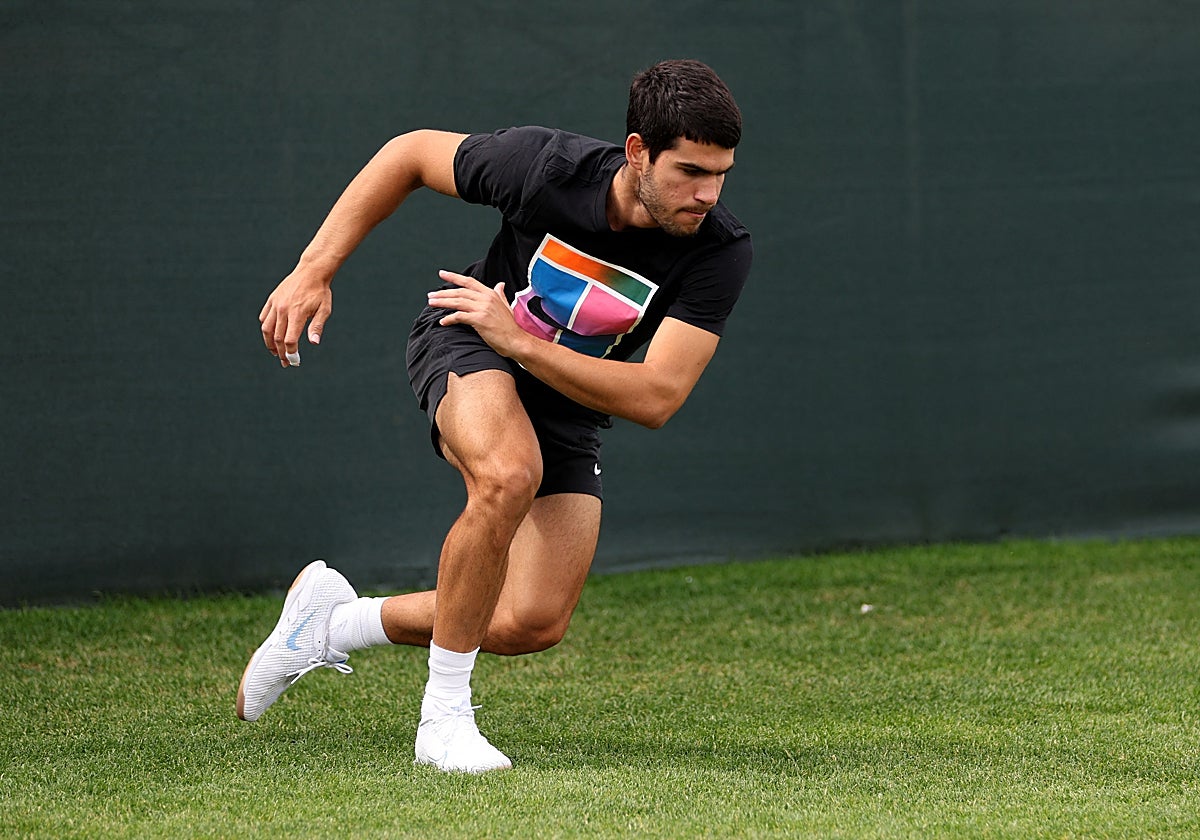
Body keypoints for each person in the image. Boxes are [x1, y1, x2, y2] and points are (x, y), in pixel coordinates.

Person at [238, 59, 752, 773]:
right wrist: (313, 267)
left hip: (560, 394)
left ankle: (332, 624)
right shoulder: (547, 168)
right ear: (637, 152)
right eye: (689, 171)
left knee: (529, 621)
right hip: (470, 340)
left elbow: (656, 398)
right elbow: (410, 152)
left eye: (720, 173)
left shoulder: (719, 250)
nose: (707, 193)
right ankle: (442, 723)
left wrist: (523, 339)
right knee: (509, 474)